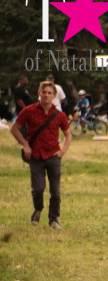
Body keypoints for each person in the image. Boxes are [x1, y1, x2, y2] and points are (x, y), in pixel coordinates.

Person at [10, 81, 71, 229]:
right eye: (44, 92)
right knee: (38, 189)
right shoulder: (29, 111)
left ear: (54, 96)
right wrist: (25, 145)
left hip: (53, 155)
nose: (46, 95)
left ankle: (54, 220)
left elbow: (68, 135)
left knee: (55, 191)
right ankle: (38, 209)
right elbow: (14, 129)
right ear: (39, 93)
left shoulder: (59, 115)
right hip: (36, 156)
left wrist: (62, 151)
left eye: (50, 93)